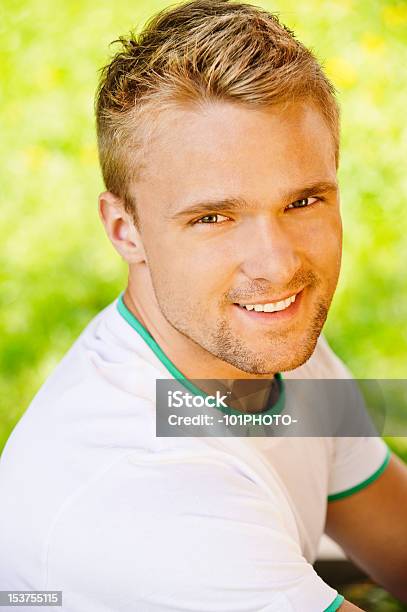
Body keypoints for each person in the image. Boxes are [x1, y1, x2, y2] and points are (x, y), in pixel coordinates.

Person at [0, 1, 406, 610]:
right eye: (213, 217)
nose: (278, 266)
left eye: (303, 202)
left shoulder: (255, 349)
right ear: (124, 229)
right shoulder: (147, 492)